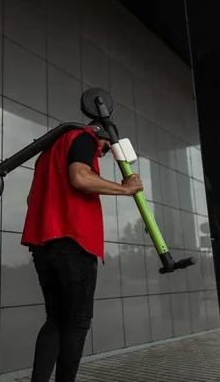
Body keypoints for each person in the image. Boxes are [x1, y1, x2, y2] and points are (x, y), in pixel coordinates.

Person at [21, 120, 144, 382]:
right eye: (105, 147)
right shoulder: (84, 138)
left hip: (44, 244)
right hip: (73, 240)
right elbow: (79, 177)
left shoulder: (48, 153)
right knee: (77, 320)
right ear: (99, 133)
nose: (102, 152)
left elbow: (32, 199)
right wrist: (125, 188)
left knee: (55, 318)